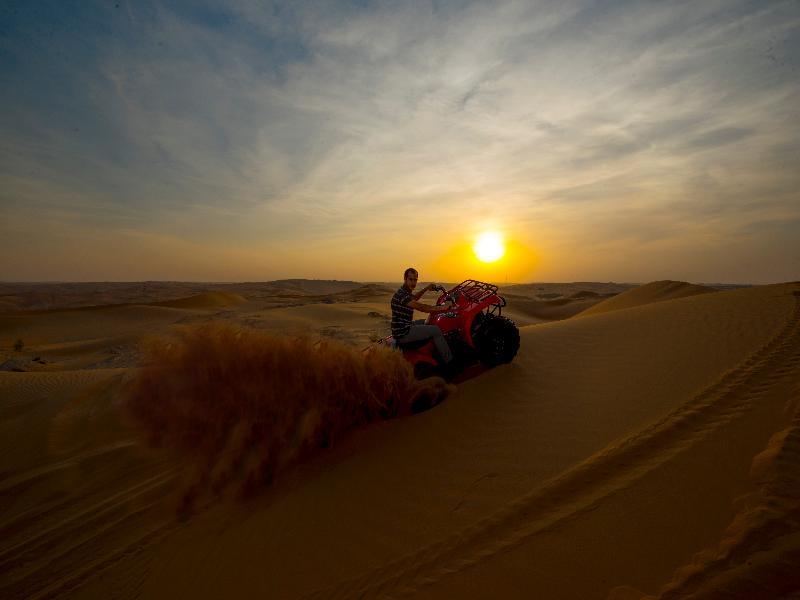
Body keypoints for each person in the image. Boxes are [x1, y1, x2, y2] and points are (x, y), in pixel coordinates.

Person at [390, 267, 454, 364]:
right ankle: (450, 362)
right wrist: (444, 307)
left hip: (402, 328)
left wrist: (427, 288)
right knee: (436, 330)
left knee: (426, 322)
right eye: (410, 279)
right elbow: (423, 308)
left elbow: (414, 298)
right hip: (404, 333)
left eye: (415, 280)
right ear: (405, 279)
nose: (413, 283)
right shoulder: (403, 296)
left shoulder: (404, 292)